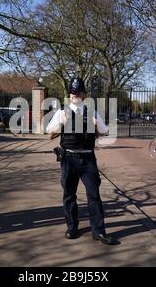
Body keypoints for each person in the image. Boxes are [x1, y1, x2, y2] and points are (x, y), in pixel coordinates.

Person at [46, 77, 117, 245]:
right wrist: (62, 126)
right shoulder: (61, 112)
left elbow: (104, 131)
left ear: (83, 94)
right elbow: (49, 132)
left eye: (77, 92)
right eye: (72, 92)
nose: (74, 94)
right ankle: (72, 227)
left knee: (94, 195)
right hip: (69, 159)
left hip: (87, 159)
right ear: (69, 93)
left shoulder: (92, 112)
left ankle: (98, 231)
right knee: (69, 195)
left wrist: (94, 128)